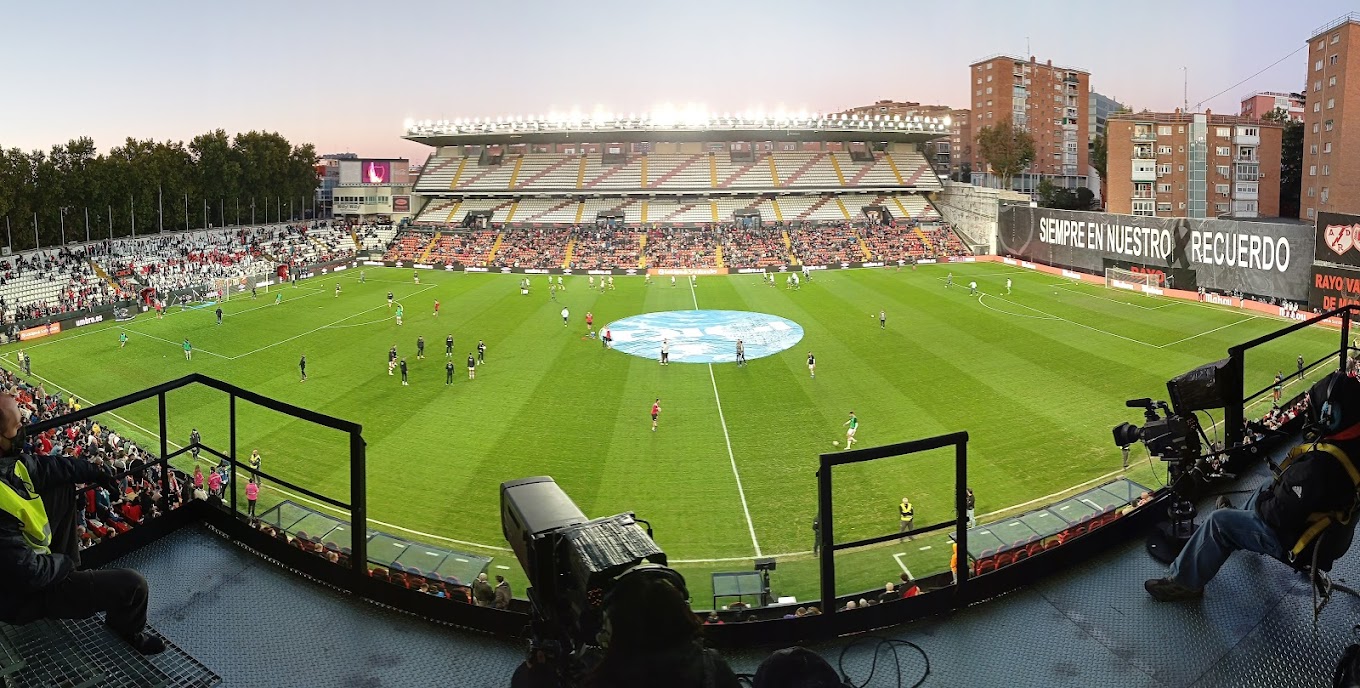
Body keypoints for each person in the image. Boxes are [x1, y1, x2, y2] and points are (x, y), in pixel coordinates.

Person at [1146, 371, 1360, 602]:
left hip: (1298, 542)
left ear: (1332, 416)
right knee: (1268, 485)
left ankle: (1184, 583)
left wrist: (1264, 500)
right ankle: (1239, 520)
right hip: (1326, 532)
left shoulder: (1319, 466)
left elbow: (1277, 516)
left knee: (1219, 521)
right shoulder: (1350, 448)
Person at [0, 395, 165, 655]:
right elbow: (30, 574)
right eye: (17, 426)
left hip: (24, 571)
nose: (24, 429)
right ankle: (126, 629)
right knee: (134, 586)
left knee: (63, 483)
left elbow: (53, 467)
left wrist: (94, 471)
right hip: (20, 596)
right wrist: (63, 562)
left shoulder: (8, 465)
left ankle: (71, 571)